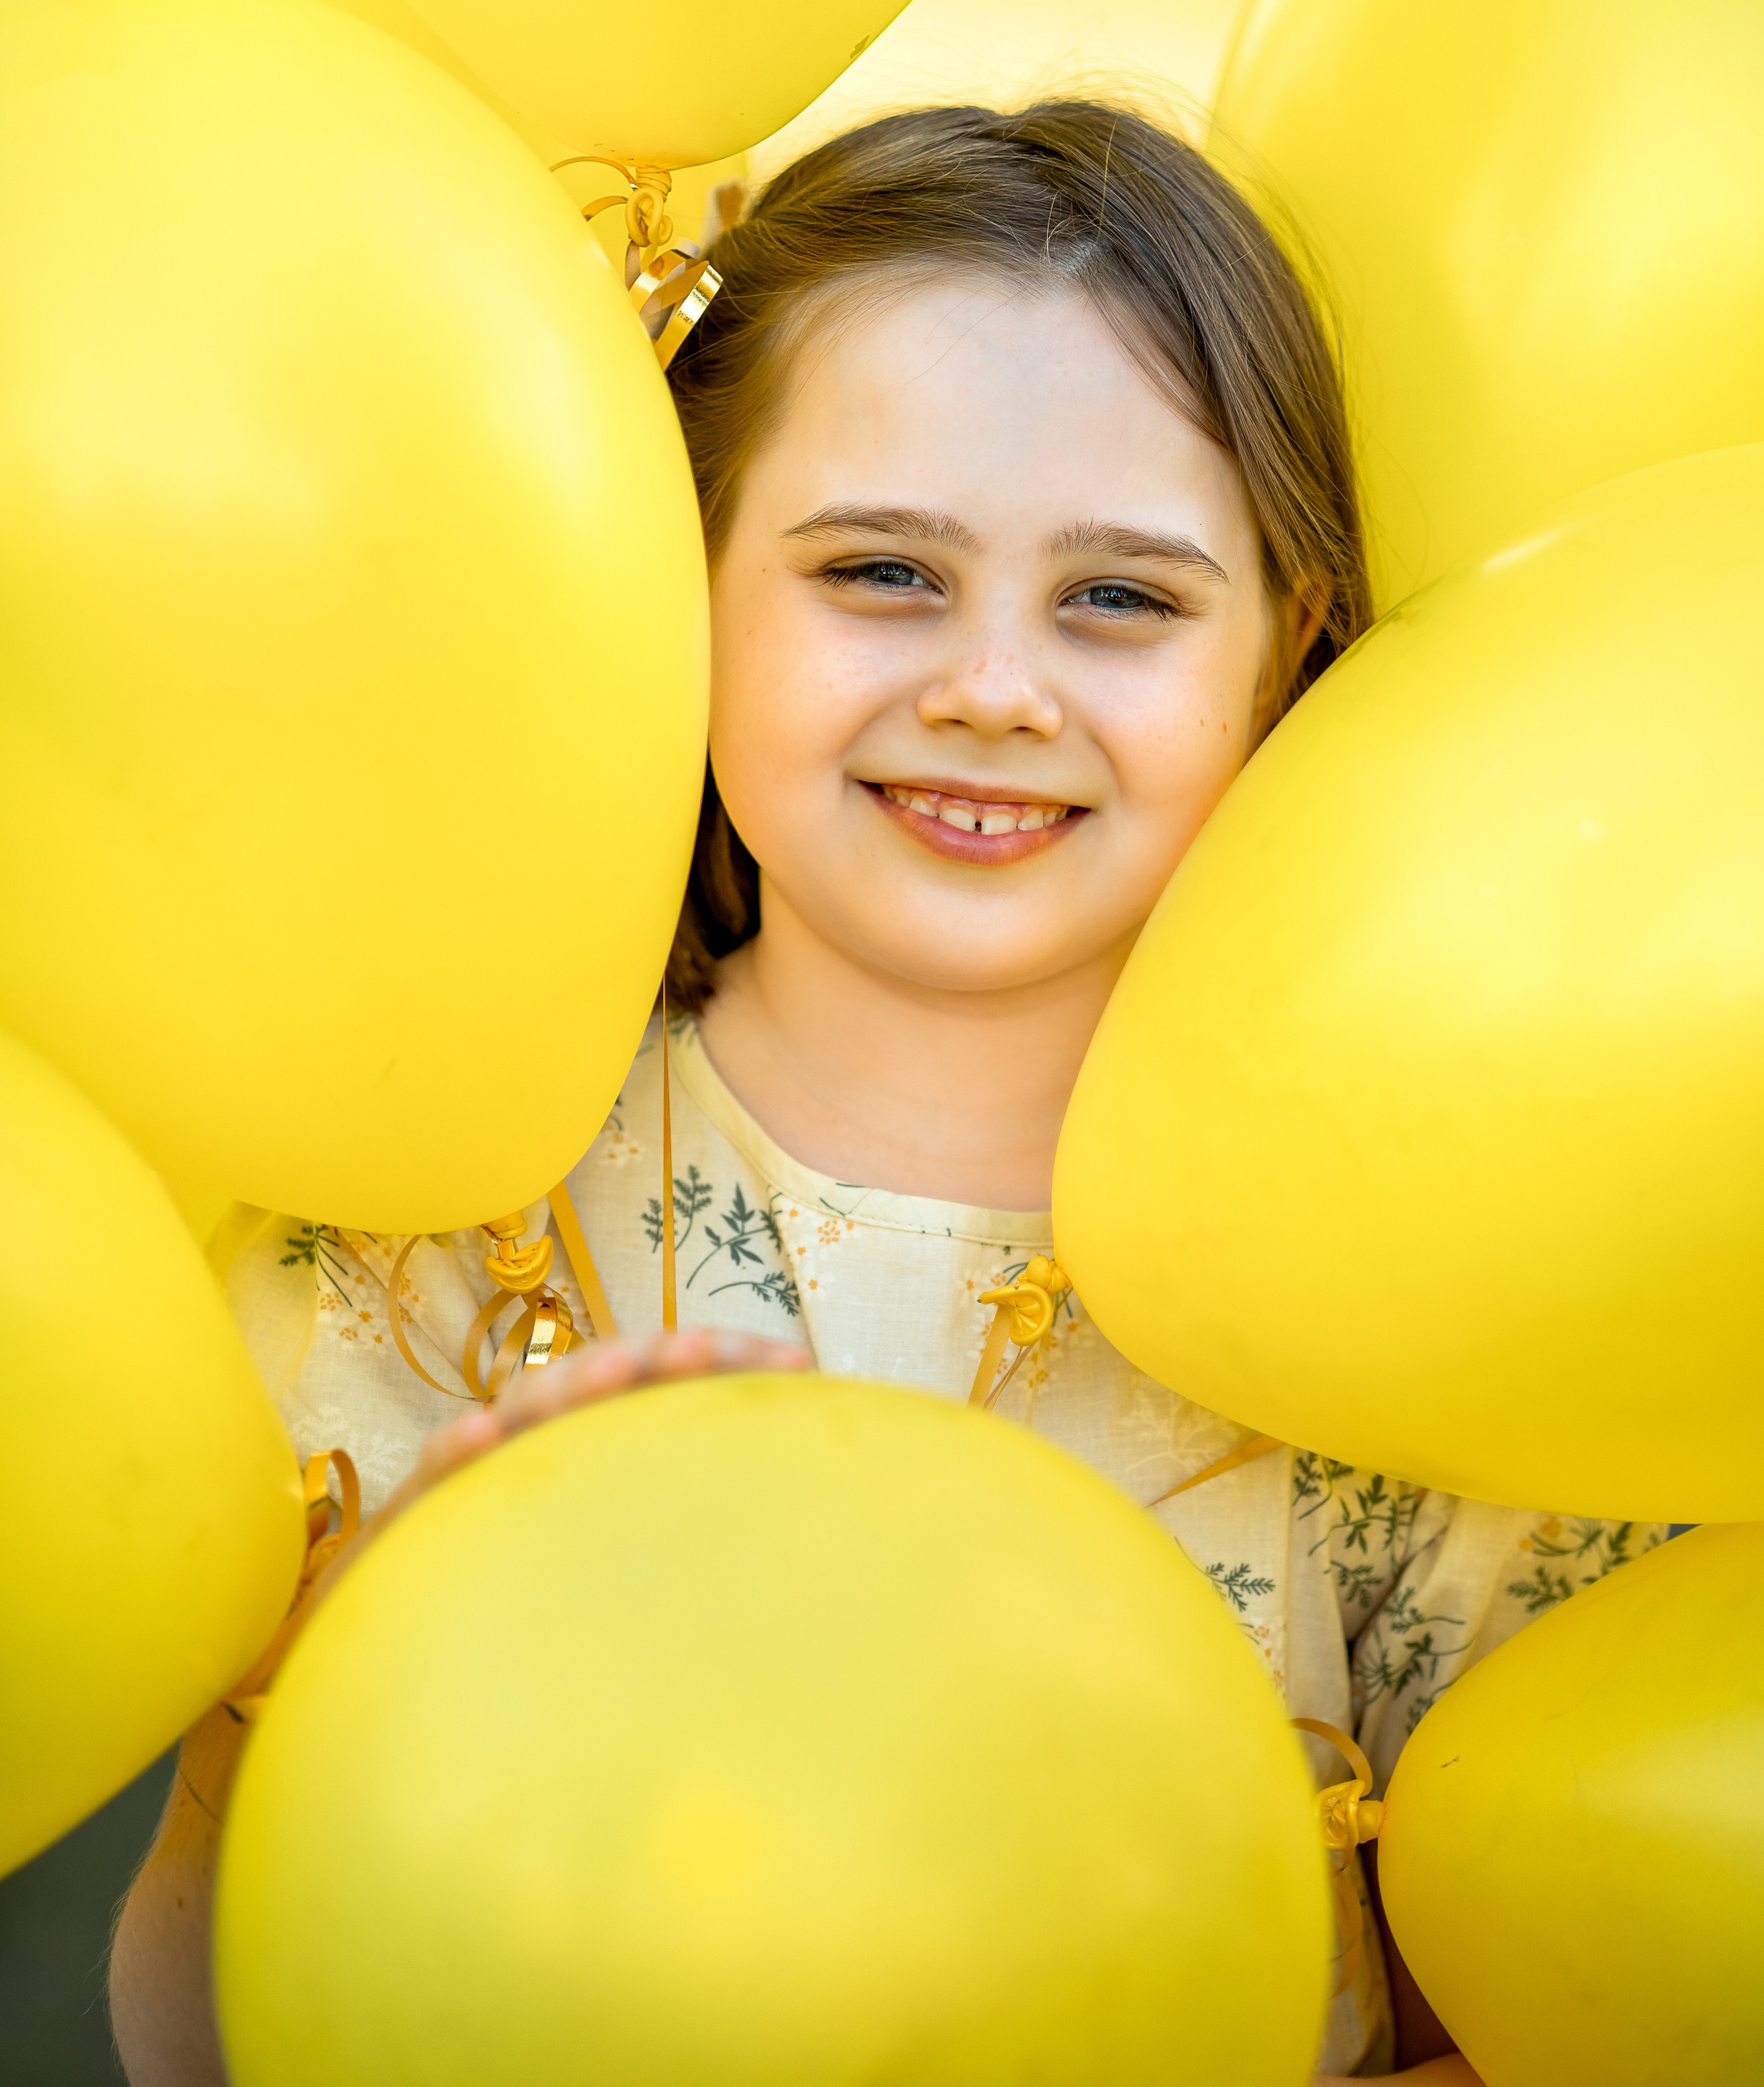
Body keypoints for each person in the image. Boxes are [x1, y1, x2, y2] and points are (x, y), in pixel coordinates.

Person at [111, 101, 1665, 2085]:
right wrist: (349, 1695)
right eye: (881, 573)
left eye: (1120, 599)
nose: (994, 688)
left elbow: (1546, 2022)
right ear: (675, 582)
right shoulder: (404, 1251)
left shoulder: (1416, 1347)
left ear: (1289, 644)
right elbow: (187, 2038)